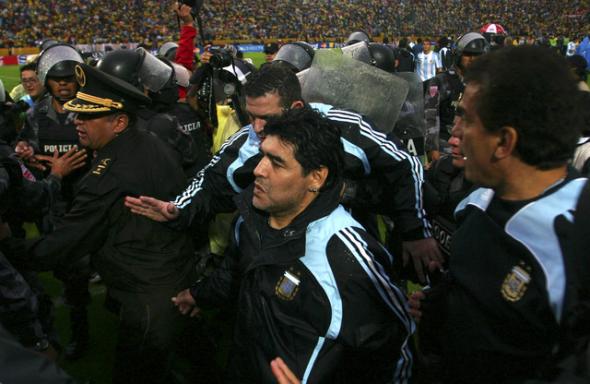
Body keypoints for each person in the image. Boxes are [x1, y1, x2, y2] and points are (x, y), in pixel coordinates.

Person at [126, 63, 440, 284]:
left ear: (298, 106)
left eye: (267, 117)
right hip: (280, 257)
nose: (258, 128)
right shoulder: (245, 143)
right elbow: (209, 183)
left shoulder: (344, 126)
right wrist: (177, 208)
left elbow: (405, 165)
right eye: (251, 117)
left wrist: (414, 232)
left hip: (349, 252)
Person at [172, 107, 415, 383]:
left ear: (316, 177)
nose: (259, 171)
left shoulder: (347, 258)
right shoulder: (251, 218)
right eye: (262, 155)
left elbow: (396, 350)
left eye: (276, 162)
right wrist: (200, 295)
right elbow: (237, 273)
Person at [410, 45, 588, 383]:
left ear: (504, 142)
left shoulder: (575, 235)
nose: (455, 132)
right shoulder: (478, 205)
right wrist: (440, 306)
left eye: (466, 118)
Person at [15, 63, 196, 384]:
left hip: (146, 294)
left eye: (87, 117)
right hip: (168, 276)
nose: (77, 122)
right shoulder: (149, 140)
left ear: (120, 121)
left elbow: (65, 243)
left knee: (135, 372)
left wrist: (8, 249)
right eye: (77, 115)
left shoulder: (109, 174)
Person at [14, 44, 92, 360]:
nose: (62, 84)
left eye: (68, 79)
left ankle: (82, 330)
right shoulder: (35, 115)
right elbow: (28, 147)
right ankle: (79, 331)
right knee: (69, 273)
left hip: (87, 200)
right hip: (54, 203)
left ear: (78, 80)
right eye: (56, 79)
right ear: (48, 81)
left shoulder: (92, 110)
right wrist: (29, 155)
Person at [424, 32, 490, 162]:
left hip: (475, 151)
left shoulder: (486, 83)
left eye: (477, 55)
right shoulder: (439, 82)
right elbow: (430, 117)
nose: (472, 59)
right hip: (446, 149)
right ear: (458, 54)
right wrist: (432, 149)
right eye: (468, 54)